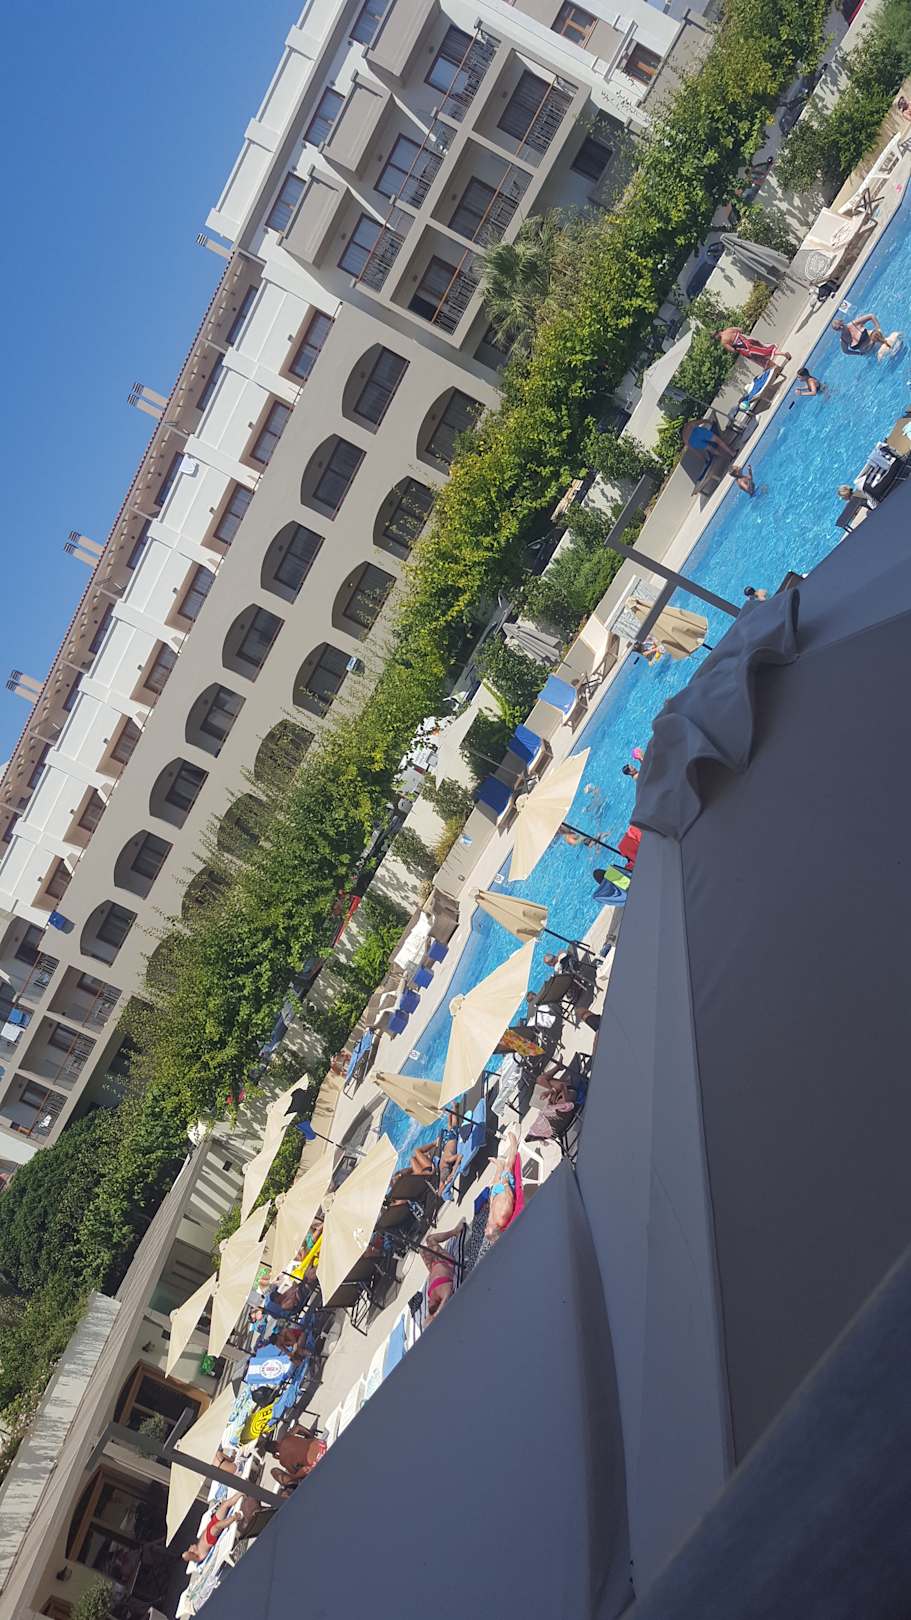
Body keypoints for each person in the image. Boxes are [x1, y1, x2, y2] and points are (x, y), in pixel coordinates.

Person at [182, 1494, 253, 1564]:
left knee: (224, 1505)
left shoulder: (196, 1548)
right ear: (192, 1554)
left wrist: (191, 1550)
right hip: (209, 1537)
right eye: (189, 1551)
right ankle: (235, 1517)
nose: (190, 1546)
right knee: (217, 1526)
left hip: (210, 1525)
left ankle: (242, 1493)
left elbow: (190, 1552)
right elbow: (187, 1556)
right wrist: (188, 1554)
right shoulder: (197, 1556)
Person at [261, 1423, 327, 1488]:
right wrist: (309, 1434)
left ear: (274, 1453)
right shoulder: (286, 1437)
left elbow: (295, 1471)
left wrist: (279, 1458)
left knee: (299, 1473)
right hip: (321, 1445)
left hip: (316, 1461)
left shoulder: (283, 1461)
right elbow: (298, 1427)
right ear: (276, 1441)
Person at [422, 1221, 466, 1318]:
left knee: (422, 1250)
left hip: (432, 1267)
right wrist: (437, 1313)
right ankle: (455, 1232)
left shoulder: (431, 1295)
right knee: (430, 1239)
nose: (428, 1302)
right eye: (430, 1304)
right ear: (437, 1303)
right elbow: (445, 1299)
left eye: (428, 1304)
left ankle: (454, 1232)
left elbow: (427, 1319)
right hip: (445, 1262)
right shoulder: (443, 1292)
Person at [485, 1133, 519, 1241]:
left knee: (494, 1182)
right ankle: (514, 1144)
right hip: (506, 1188)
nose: (485, 1230)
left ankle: (499, 1165)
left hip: (497, 1193)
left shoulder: (491, 1223)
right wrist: (505, 1183)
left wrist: (492, 1198)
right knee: (508, 1167)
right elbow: (510, 1198)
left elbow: (492, 1209)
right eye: (487, 1231)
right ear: (495, 1229)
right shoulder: (502, 1216)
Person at [714, 327, 790, 366]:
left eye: (715, 338)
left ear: (716, 335)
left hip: (745, 349)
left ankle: (776, 367)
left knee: (761, 358)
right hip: (748, 339)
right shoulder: (729, 329)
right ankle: (783, 354)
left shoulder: (723, 341)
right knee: (765, 349)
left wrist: (736, 346)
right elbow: (740, 329)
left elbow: (732, 350)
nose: (716, 339)